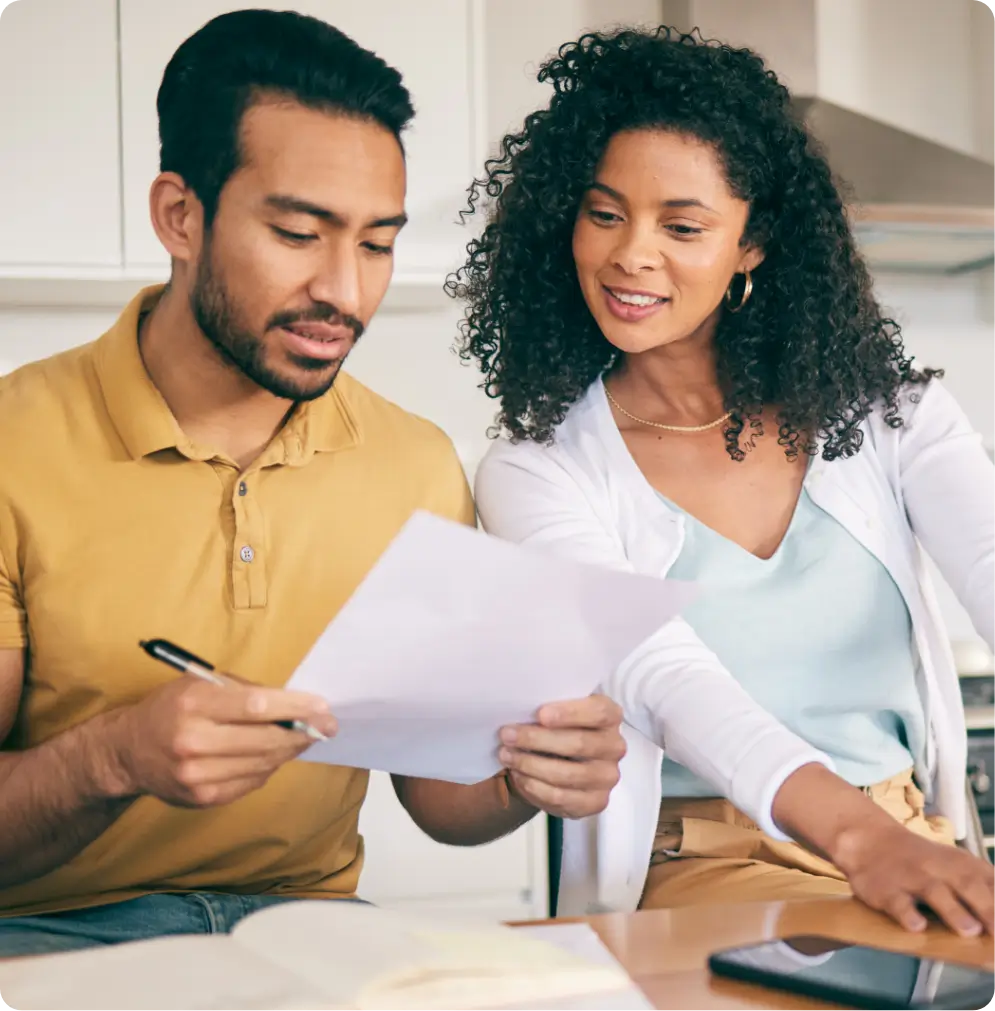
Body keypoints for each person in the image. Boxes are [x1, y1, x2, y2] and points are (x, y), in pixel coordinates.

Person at [0, 9, 626, 956]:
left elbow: (440, 798)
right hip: (50, 933)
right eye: (300, 232)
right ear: (180, 215)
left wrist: (528, 779)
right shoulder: (15, 444)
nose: (345, 290)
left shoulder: (410, 462)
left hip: (312, 931)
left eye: (377, 244)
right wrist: (111, 757)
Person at [455, 26, 995, 937]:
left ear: (751, 245)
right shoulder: (537, 471)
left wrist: (883, 838)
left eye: (682, 225)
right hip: (704, 864)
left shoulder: (892, 416)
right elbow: (662, 674)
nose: (630, 254)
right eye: (603, 213)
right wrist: (859, 839)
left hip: (909, 837)